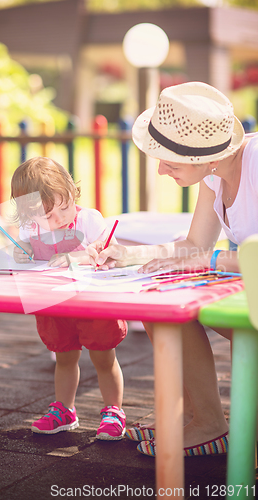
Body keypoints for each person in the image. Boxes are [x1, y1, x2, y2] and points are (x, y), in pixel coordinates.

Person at [87, 81, 258, 456]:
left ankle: (207, 424)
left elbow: (205, 255)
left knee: (171, 304)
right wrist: (128, 255)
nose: (162, 170)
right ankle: (203, 420)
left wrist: (211, 260)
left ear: (206, 155)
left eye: (170, 160)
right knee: (160, 304)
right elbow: (194, 245)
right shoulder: (216, 171)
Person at [10, 156, 127, 440]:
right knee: (64, 358)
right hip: (54, 304)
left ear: (72, 193)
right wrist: (21, 252)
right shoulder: (31, 229)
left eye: (63, 207)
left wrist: (84, 254)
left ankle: (114, 410)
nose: (58, 219)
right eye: (46, 216)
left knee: (104, 358)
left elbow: (110, 253)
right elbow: (26, 255)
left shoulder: (88, 219)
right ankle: (65, 409)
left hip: (92, 302)